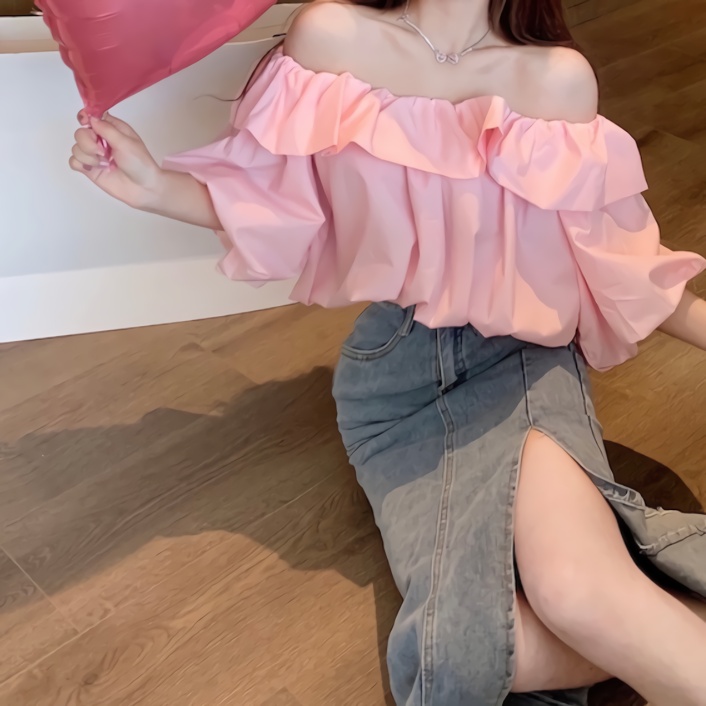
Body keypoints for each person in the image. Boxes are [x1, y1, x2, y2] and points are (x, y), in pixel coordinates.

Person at [68, 0, 706, 704]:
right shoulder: (332, 37)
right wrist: (155, 188)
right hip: (392, 381)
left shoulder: (556, 80)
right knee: (457, 657)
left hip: (521, 365)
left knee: (575, 594)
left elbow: (621, 268)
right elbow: (285, 208)